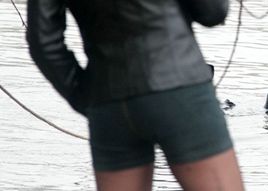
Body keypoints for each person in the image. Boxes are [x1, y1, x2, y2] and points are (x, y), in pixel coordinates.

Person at [26, 0, 244, 190]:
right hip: (180, 89)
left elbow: (42, 41)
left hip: (107, 101)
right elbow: (212, 12)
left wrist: (87, 98)